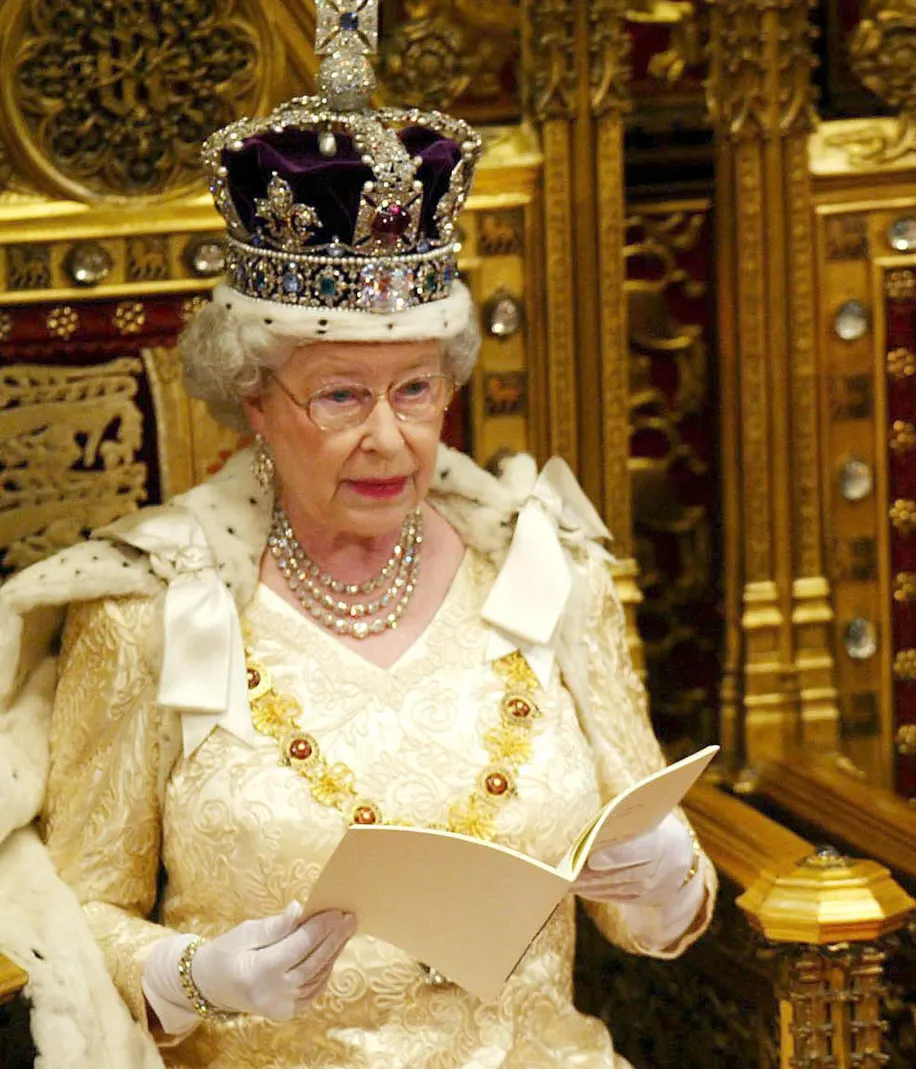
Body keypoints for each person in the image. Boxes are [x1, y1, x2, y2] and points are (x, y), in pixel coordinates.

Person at [0, 9, 711, 1067]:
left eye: (416, 389)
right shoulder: (148, 608)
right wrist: (197, 974)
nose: (389, 436)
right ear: (252, 400)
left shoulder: (545, 569)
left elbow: (649, 907)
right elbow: (73, 918)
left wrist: (665, 876)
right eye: (340, 394)